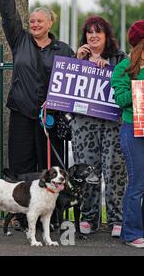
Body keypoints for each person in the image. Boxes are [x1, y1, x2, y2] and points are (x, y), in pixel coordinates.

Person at [0, 0, 74, 177]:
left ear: (50, 23)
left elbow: (72, 80)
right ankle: (21, 211)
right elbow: (9, 16)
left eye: (40, 21)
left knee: (49, 167)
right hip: (22, 113)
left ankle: (51, 212)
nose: (35, 24)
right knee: (21, 165)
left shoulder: (63, 50)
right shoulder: (20, 40)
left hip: (50, 117)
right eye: (32, 21)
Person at [71, 16, 127, 237]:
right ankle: (88, 218)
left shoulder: (119, 58)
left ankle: (116, 218)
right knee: (88, 170)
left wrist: (109, 69)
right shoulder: (76, 58)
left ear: (106, 35)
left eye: (98, 31)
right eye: (89, 32)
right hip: (84, 125)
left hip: (112, 123)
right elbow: (63, 89)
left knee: (114, 171)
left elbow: (127, 84)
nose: (93, 36)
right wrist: (78, 61)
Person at [111, 20, 144, 248]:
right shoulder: (123, 68)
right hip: (133, 129)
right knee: (137, 183)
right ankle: (131, 233)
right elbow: (120, 100)